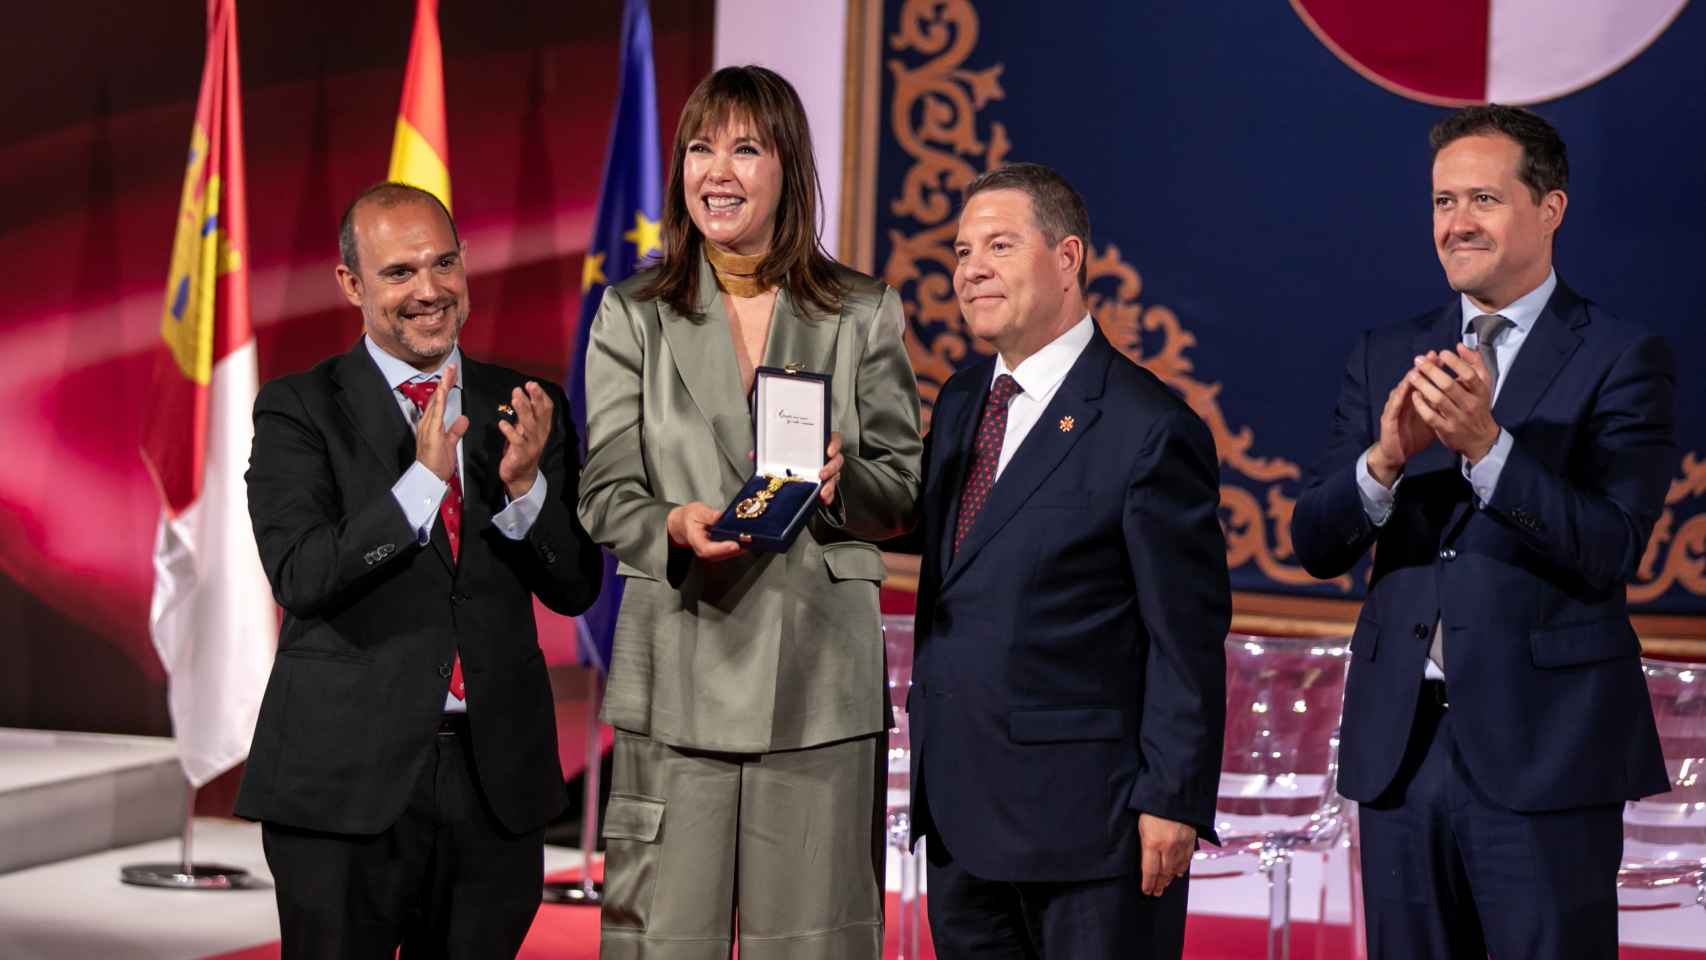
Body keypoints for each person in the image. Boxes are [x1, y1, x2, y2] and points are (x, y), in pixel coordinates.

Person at [1291, 104, 1678, 959]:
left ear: (1550, 208)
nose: (1457, 222)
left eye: (1484, 199)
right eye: (1443, 201)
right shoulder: (1384, 351)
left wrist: (1488, 450)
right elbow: (1314, 545)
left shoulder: (1621, 355)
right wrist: (1383, 461)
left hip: (1547, 751)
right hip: (1401, 750)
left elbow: (1612, 547)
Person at [577, 65, 922, 959]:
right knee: (666, 943)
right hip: (678, 657)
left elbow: (902, 488)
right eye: (700, 148)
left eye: (745, 149)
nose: (717, 172)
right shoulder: (633, 313)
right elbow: (604, 490)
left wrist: (844, 483)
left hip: (818, 679)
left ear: (788, 168)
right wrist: (671, 526)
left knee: (815, 944)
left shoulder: (861, 310)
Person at [238, 182, 603, 959]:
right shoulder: (298, 408)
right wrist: (421, 487)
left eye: (443, 264)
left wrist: (526, 492)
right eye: (399, 272)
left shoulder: (525, 404)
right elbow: (301, 574)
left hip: (493, 782)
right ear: (352, 284)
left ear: (465, 263)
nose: (429, 290)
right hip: (344, 783)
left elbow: (575, 587)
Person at [907, 161, 1230, 958]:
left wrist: (1173, 799)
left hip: (1091, 832)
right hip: (959, 818)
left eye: (999, 246)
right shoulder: (962, 401)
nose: (971, 269)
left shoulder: (1148, 427)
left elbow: (1185, 640)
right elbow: (956, 550)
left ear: (1067, 258)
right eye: (961, 251)